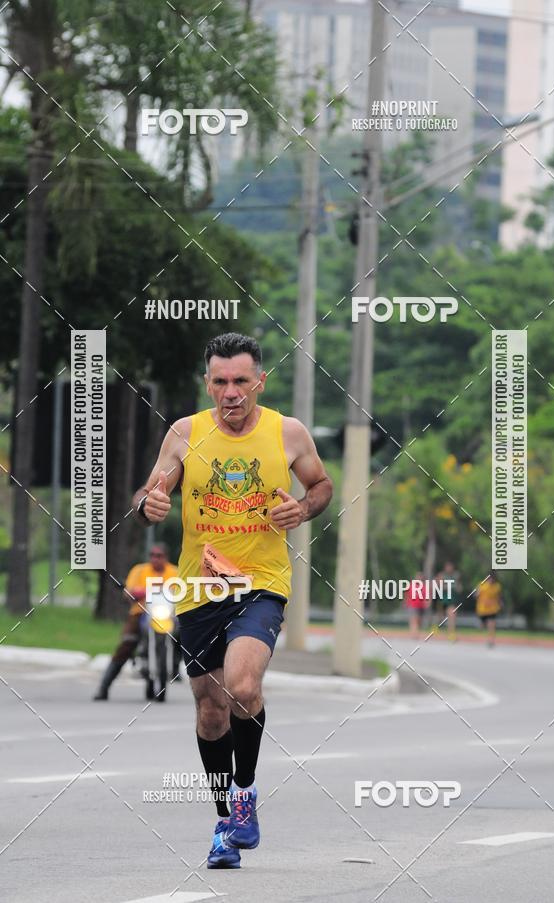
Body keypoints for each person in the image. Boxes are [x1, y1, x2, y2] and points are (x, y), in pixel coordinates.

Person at [132, 332, 333, 869]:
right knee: (210, 711)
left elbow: (320, 485)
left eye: (241, 381)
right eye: (220, 382)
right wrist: (149, 502)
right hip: (199, 590)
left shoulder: (286, 432)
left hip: (261, 583)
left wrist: (304, 509)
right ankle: (225, 820)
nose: (231, 392)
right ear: (208, 383)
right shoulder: (185, 433)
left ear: (259, 381)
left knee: (243, 686)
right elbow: (152, 491)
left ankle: (245, 793)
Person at [93, 543, 178, 700]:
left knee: (185, 636)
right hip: (141, 613)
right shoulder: (139, 570)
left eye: (159, 556)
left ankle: (176, 664)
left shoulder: (175, 572)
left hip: (167, 615)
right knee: (127, 644)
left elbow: (183, 592)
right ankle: (103, 687)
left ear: (166, 557)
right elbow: (128, 592)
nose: (155, 559)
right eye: (152, 555)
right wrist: (135, 593)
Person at [475, 571, 503, 647]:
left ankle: (491, 640)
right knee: (482, 626)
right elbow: (476, 595)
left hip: (493, 609)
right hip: (482, 609)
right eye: (489, 579)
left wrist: (500, 603)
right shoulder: (482, 585)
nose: (491, 580)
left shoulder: (497, 586)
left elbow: (499, 596)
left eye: (492, 579)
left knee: (492, 624)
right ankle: (481, 624)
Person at [436, 560, 462, 641]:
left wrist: (458, 588)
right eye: (448, 567)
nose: (449, 568)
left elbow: (459, 587)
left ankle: (451, 633)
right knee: (441, 618)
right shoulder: (442, 575)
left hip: (452, 600)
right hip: (443, 600)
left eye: (451, 567)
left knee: (452, 615)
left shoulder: (456, 575)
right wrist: (446, 586)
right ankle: (437, 628)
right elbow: (438, 586)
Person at [405, 571, 429, 639]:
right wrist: (406, 603)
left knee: (419, 621)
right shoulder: (411, 585)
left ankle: (415, 633)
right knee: (413, 620)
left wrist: (427, 602)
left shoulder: (424, 586)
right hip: (412, 605)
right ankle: (414, 635)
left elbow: (427, 596)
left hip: (421, 606)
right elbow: (407, 595)